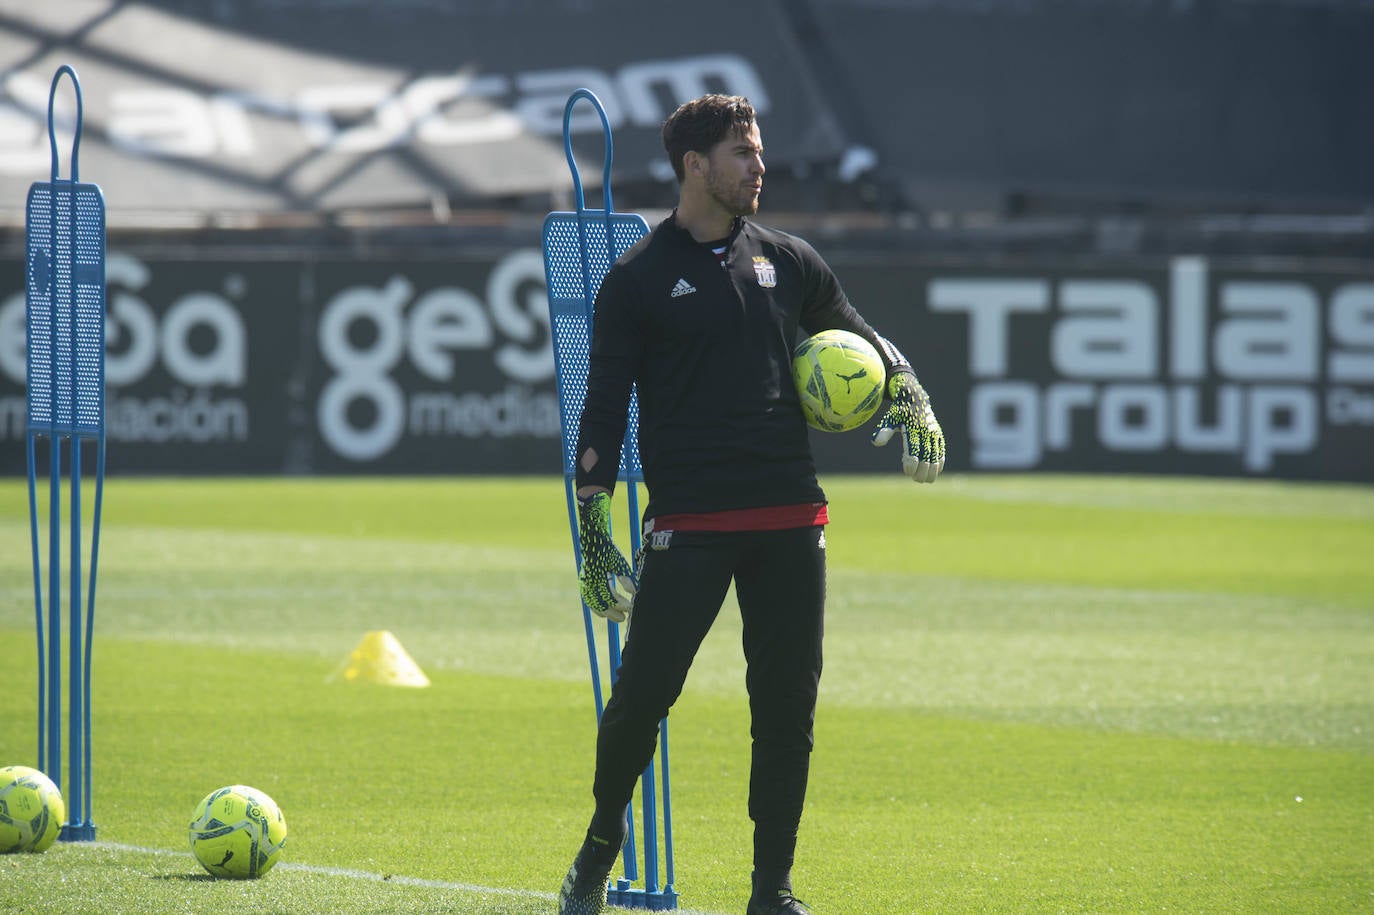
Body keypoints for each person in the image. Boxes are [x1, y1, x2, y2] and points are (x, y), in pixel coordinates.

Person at [556, 94, 945, 915]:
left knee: (786, 710)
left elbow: (862, 335)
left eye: (759, 150)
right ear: (695, 165)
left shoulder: (790, 260)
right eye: (743, 152)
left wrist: (908, 388)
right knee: (642, 699)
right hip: (689, 522)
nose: (760, 165)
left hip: (790, 517)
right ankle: (601, 838)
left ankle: (773, 889)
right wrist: (592, 526)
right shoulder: (636, 279)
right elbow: (603, 411)